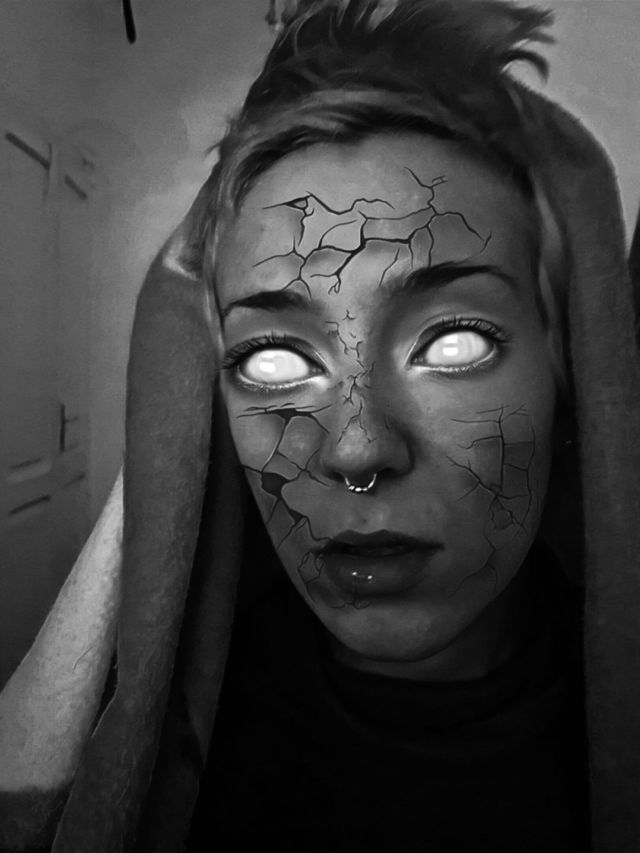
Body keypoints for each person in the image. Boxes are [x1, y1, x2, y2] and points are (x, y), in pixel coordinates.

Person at [2, 0, 640, 851]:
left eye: (454, 342)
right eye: (272, 359)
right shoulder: (190, 748)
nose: (357, 449)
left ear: (570, 387)